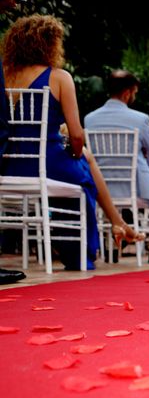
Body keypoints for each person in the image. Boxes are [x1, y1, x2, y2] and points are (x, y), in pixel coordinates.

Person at [1, 14, 100, 271]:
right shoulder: (59, 77)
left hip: (8, 164)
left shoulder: (4, 76)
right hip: (49, 161)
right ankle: (80, 254)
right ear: (50, 44)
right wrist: (76, 154)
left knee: (76, 176)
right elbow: (77, 136)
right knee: (84, 179)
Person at [84, 69, 149, 263]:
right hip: (135, 189)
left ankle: (111, 249)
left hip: (102, 191)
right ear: (127, 93)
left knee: (116, 202)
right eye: (134, 92)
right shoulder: (140, 119)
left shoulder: (89, 119)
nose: (134, 96)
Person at [0, 0, 25, 284]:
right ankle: (86, 252)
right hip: (37, 163)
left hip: (15, 163)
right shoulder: (58, 77)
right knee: (87, 176)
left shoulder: (9, 73)